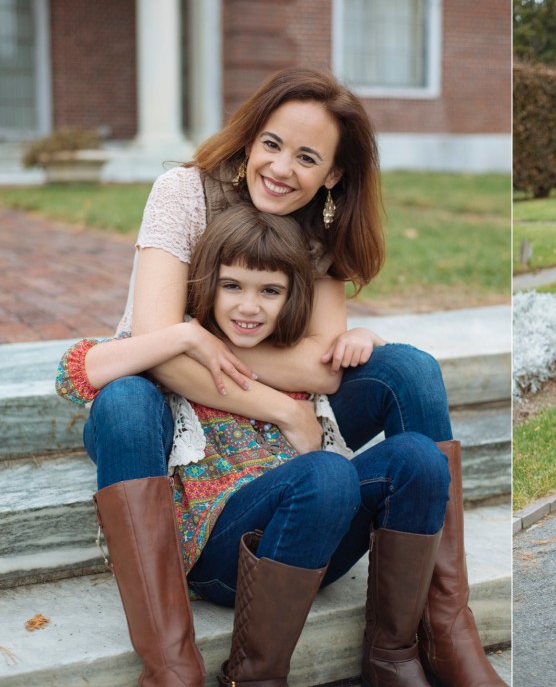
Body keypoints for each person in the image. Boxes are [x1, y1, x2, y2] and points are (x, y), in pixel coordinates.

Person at [76, 68, 506, 687]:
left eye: (307, 158)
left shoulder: (324, 222)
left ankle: (442, 626)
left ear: (332, 174)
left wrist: (210, 345)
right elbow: (156, 348)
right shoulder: (184, 192)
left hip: (277, 445)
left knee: (408, 369)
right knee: (125, 395)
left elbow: (322, 369)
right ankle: (170, 666)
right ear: (250, 139)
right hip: (170, 417)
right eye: (272, 144)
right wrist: (282, 408)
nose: (281, 169)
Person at [57, 203, 410, 683]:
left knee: (416, 457)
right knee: (328, 472)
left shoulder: (295, 360)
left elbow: (339, 356)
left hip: (313, 549)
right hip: (219, 555)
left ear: (293, 297)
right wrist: (184, 336)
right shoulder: (180, 363)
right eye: (232, 286)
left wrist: (363, 336)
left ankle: (397, 655)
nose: (249, 307)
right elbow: (73, 372)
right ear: (208, 284)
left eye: (270, 291)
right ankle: (213, 670)